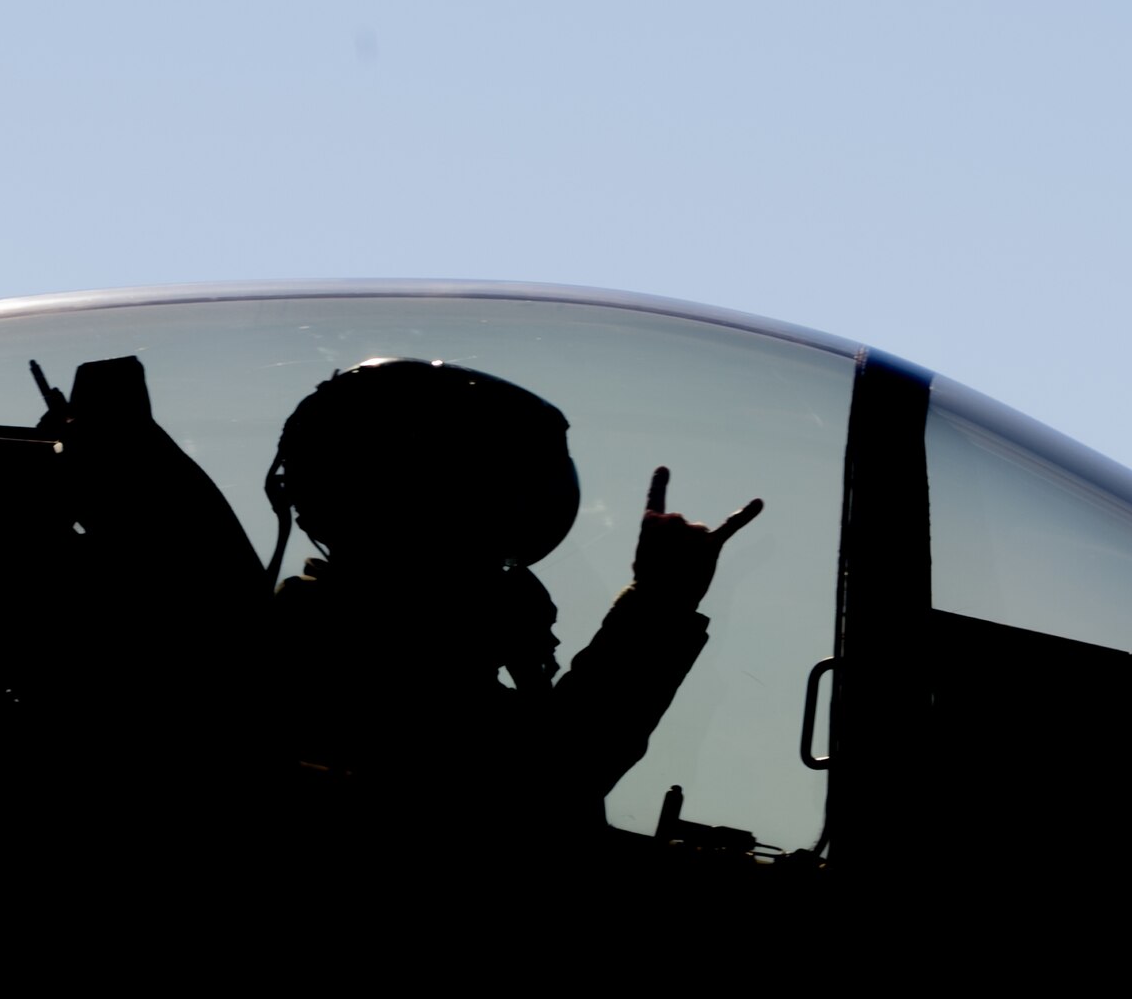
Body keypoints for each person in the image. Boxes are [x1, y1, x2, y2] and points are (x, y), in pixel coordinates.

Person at [264, 358, 761, 867]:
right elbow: (548, 783)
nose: (506, 578)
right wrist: (660, 601)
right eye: (477, 531)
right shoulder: (349, 665)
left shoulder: (311, 639)